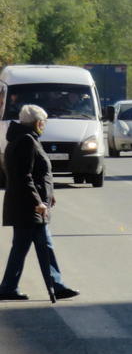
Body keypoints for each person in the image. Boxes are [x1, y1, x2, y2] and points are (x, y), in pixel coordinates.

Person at [0, 105, 79, 302]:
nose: (44, 125)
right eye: (43, 122)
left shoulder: (26, 138)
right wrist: (38, 202)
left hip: (26, 205)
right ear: (37, 122)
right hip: (28, 206)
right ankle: (56, 286)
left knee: (22, 247)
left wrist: (48, 194)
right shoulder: (26, 141)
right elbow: (23, 176)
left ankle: (9, 287)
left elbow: (37, 173)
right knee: (44, 245)